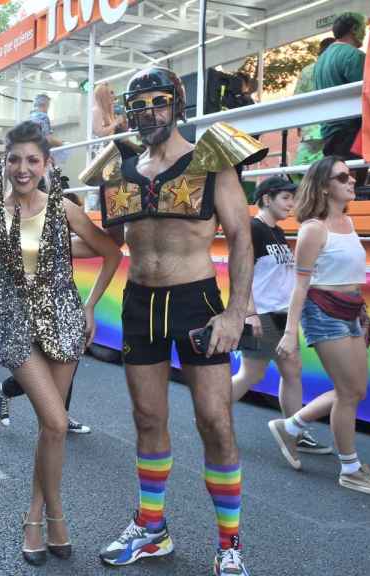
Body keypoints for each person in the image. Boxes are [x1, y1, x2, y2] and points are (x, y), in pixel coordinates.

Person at [87, 66, 266, 575]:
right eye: (138, 106)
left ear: (177, 105)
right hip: (140, 304)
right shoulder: (121, 167)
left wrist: (236, 312)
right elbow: (112, 244)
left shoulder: (211, 161)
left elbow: (240, 237)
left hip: (197, 303)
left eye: (158, 103)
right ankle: (151, 529)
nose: (148, 114)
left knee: (214, 421)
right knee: (147, 420)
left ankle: (229, 543)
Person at [0, 120, 122, 565]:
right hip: (15, 324)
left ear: (45, 164)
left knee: (51, 428)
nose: (22, 168)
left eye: (32, 160)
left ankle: (35, 516)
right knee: (57, 423)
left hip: (63, 319)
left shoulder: (62, 208)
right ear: (5, 162)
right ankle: (57, 514)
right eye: (14, 159)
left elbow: (111, 252)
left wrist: (90, 306)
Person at [272, 156, 370, 496]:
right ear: (325, 186)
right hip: (323, 313)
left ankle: (292, 426)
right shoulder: (314, 229)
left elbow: (351, 276)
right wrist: (289, 333)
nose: (352, 181)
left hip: (353, 310)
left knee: (356, 390)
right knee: (349, 392)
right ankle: (351, 468)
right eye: (343, 177)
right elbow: (299, 286)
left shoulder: (349, 223)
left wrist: (363, 310)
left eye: (352, 176)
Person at [231, 177, 331, 455]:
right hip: (260, 314)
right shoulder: (253, 229)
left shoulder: (277, 232)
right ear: (266, 199)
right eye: (286, 198)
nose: (292, 204)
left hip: (280, 314)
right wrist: (249, 314)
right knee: (251, 375)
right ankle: (212, 418)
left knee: (292, 372)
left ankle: (293, 430)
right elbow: (240, 271)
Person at [0, 190, 98, 434]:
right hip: (22, 317)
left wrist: (88, 305)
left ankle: (60, 417)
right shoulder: (5, 220)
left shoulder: (63, 233)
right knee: (35, 372)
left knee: (61, 367)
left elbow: (105, 247)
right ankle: (6, 391)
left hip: (61, 313)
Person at [314, 12, 367, 181]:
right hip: (350, 131)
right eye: (364, 28)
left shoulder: (321, 59)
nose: (365, 33)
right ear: (354, 29)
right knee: (351, 185)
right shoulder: (354, 55)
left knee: (334, 181)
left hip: (328, 129)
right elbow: (367, 92)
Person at [293, 38, 337, 172]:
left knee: (304, 169)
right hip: (333, 126)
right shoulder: (335, 68)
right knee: (330, 168)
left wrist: (298, 124)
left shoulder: (307, 71)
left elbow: (297, 100)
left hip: (310, 129)